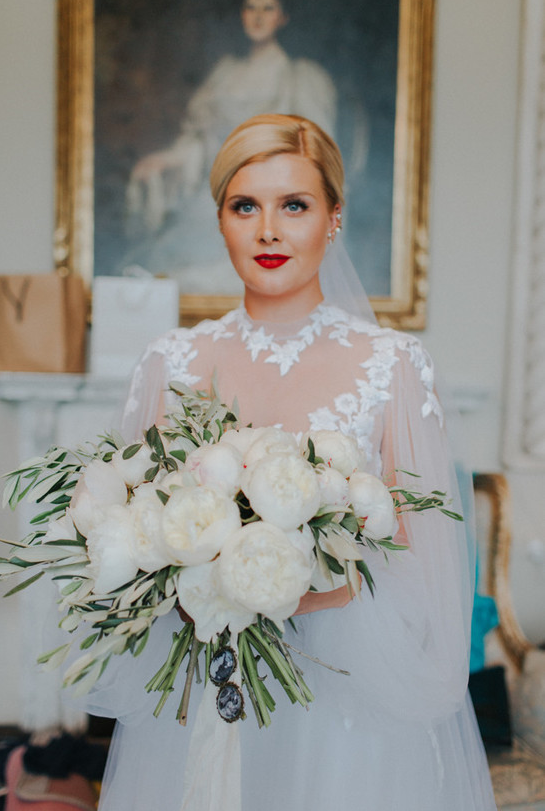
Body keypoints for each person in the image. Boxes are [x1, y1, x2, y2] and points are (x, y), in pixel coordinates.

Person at [86, 114, 497, 810]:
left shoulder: (392, 364)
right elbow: (137, 527)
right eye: (245, 206)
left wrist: (299, 590)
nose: (268, 231)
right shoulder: (170, 360)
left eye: (295, 206)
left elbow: (422, 558)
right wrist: (197, 580)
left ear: (334, 218)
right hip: (206, 681)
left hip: (346, 693)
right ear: (221, 220)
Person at [123, 0, 338, 293]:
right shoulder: (225, 73)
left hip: (273, 191)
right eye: (251, 7)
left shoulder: (297, 77)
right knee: (168, 255)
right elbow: (200, 138)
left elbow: (315, 152)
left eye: (268, 8)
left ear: (283, 18)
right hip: (218, 189)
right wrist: (171, 157)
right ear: (241, 15)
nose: (258, 16)